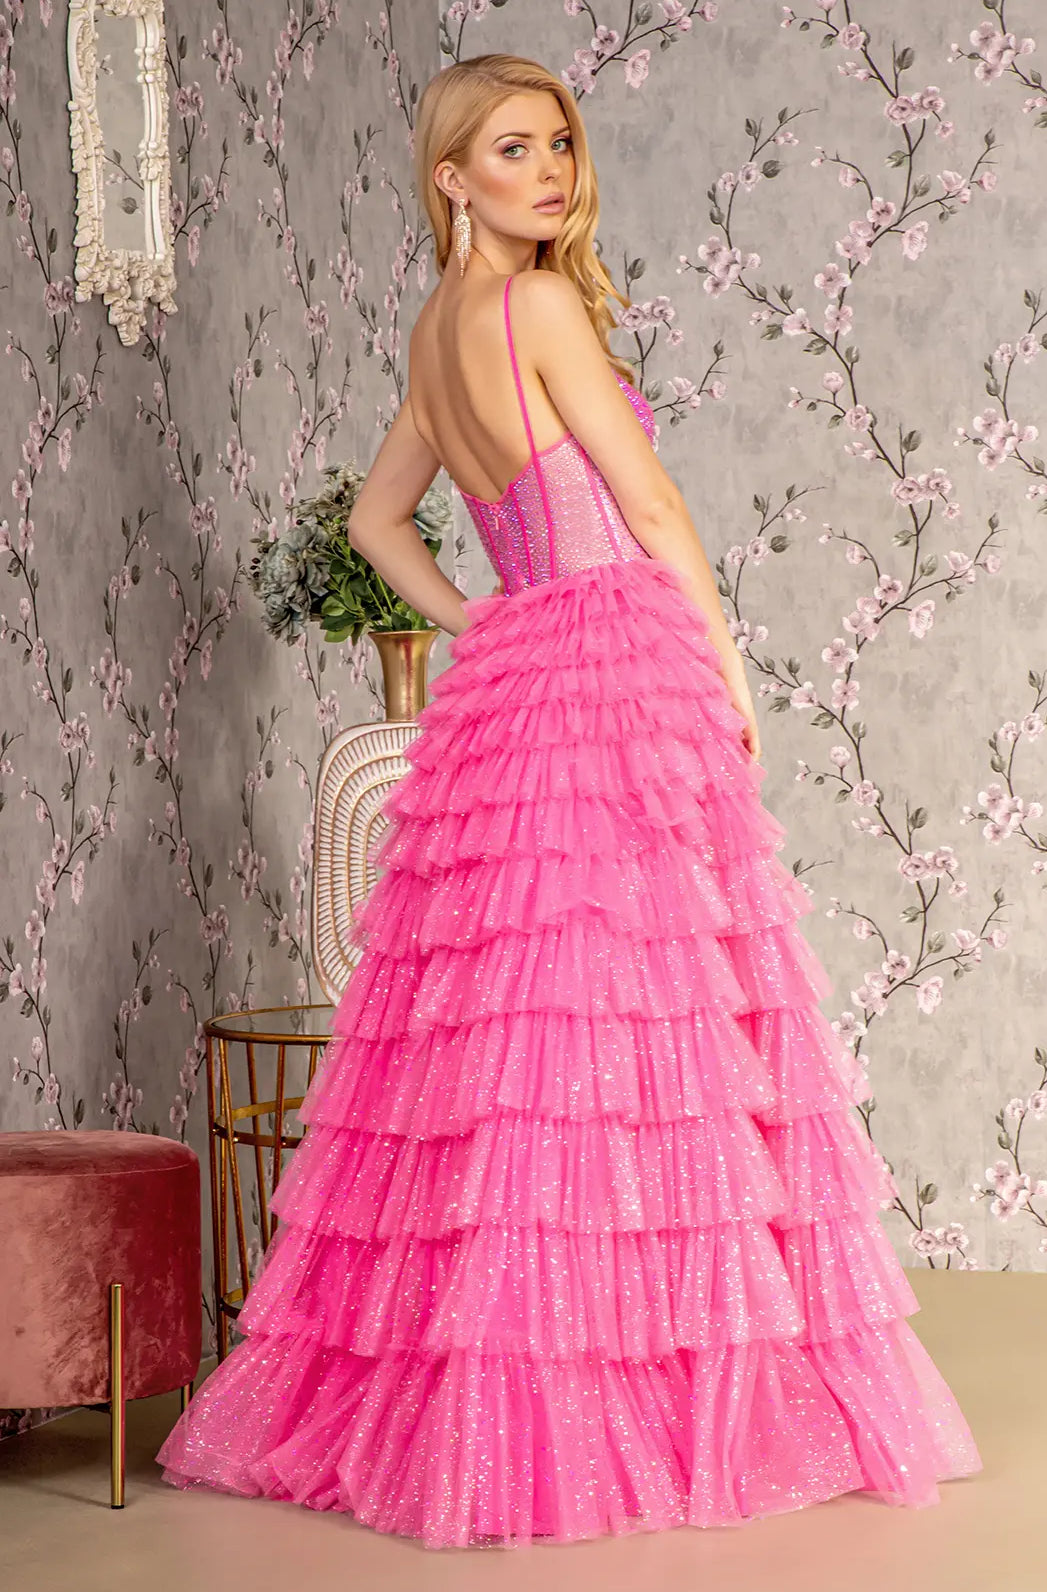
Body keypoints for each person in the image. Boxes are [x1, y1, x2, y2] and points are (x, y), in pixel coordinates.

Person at [156, 52, 982, 1549]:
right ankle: (627, 1378)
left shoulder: (433, 337)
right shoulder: (535, 307)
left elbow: (378, 521)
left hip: (523, 669)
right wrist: (729, 664)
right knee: (645, 1015)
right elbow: (648, 503)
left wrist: (482, 620)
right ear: (450, 177)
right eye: (512, 150)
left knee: (525, 1030)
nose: (548, 174)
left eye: (557, 146)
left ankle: (533, 1369)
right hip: (612, 653)